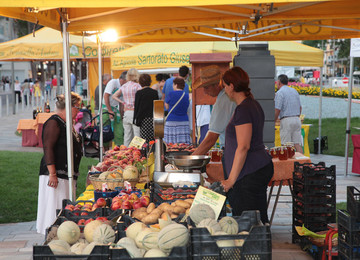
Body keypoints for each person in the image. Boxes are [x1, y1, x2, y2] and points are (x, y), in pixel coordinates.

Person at [220, 66, 274, 224]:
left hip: (249, 173)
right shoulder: (252, 104)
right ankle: (260, 246)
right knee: (258, 220)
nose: (225, 91)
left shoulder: (244, 109)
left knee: (249, 223)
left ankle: (256, 248)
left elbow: (243, 146)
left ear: (231, 86)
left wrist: (231, 180)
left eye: (224, 86)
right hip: (255, 169)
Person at [36, 92, 82, 235]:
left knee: (63, 206)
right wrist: (53, 174)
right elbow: (48, 147)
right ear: (69, 107)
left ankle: (61, 235)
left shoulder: (66, 123)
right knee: (54, 207)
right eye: (77, 107)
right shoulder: (54, 122)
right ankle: (52, 236)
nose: (79, 111)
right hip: (56, 174)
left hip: (66, 173)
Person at [192, 65, 236, 155]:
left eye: (206, 87)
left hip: (232, 151)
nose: (204, 91)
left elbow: (211, 138)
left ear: (217, 84)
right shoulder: (224, 97)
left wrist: (192, 158)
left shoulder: (224, 100)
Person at [275, 74, 303, 154]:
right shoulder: (294, 91)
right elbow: (300, 108)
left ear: (279, 82)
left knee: (285, 146)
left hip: (286, 120)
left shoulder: (280, 93)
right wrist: (297, 117)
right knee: (297, 144)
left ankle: (288, 165)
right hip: (297, 119)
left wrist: (273, 121)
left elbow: (277, 109)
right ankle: (302, 164)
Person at [112, 68, 141, 147]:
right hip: (135, 112)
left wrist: (122, 102)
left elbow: (114, 95)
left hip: (126, 112)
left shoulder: (124, 86)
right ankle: (137, 153)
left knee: (127, 135)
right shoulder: (137, 86)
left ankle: (126, 152)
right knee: (137, 135)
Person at [102, 71, 127, 148]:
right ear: (123, 79)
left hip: (116, 110)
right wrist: (109, 111)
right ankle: (105, 152)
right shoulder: (113, 82)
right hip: (106, 109)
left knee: (119, 131)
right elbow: (106, 96)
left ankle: (120, 150)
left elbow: (121, 102)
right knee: (105, 131)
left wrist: (122, 115)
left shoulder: (124, 87)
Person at [164, 77, 190, 144]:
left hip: (171, 121)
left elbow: (166, 106)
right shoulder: (186, 95)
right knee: (183, 144)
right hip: (184, 121)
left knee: (171, 143)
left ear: (176, 85)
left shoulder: (171, 94)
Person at [134, 74, 159, 143]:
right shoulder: (154, 92)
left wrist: (135, 119)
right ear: (150, 82)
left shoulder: (139, 93)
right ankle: (152, 151)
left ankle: (145, 152)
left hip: (143, 119)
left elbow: (137, 107)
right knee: (152, 138)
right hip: (152, 119)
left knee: (143, 139)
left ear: (140, 82)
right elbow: (156, 106)